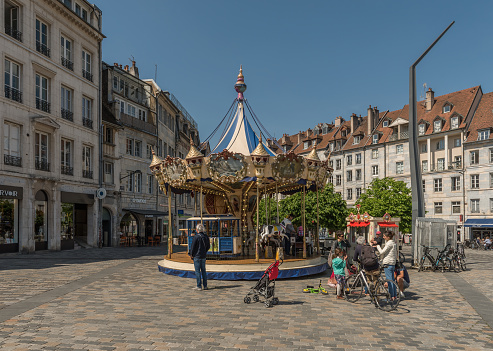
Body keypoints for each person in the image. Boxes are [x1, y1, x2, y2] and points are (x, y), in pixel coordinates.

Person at [373, 231, 397, 299]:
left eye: (384, 236)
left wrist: (377, 246)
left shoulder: (389, 243)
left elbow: (382, 252)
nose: (383, 237)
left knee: (389, 280)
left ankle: (391, 296)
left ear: (388, 237)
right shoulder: (393, 243)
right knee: (392, 280)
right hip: (392, 263)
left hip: (388, 263)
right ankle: (394, 295)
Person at [190, 223, 211, 290]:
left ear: (197, 230)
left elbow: (193, 247)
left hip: (197, 256)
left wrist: (191, 254)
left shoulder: (196, 237)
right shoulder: (206, 237)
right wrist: (205, 251)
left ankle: (199, 285)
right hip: (203, 256)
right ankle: (205, 285)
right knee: (203, 271)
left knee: (197, 271)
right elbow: (208, 246)